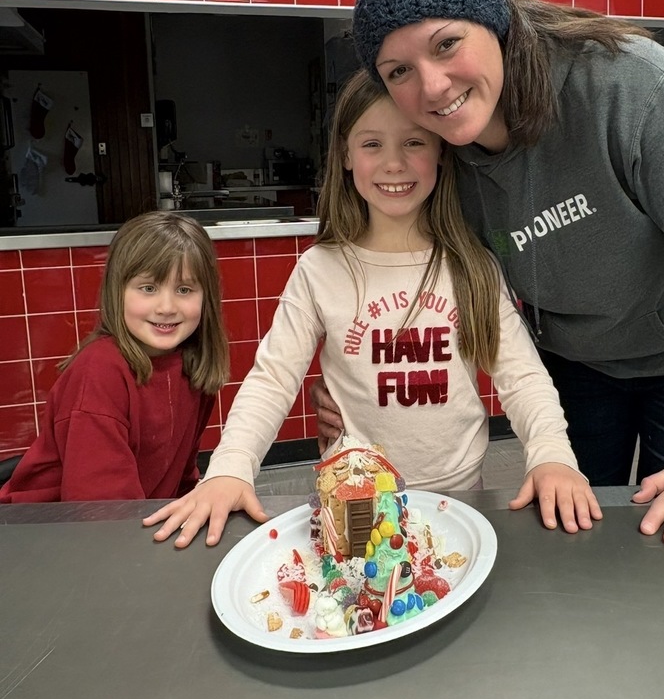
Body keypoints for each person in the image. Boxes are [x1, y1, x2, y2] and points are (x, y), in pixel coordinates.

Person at [310, 0, 664, 549]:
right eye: (398, 71)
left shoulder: (633, 87)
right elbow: (411, 266)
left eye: (447, 44)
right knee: (575, 540)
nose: (431, 87)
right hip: (573, 366)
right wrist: (355, 377)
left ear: (497, 22)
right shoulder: (439, 145)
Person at [143, 70, 600, 548]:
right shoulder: (320, 269)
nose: (394, 163)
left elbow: (522, 377)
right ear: (345, 154)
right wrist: (230, 467)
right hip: (354, 499)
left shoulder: (473, 265)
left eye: (415, 143)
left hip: (459, 498)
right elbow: (272, 379)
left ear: (441, 151)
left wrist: (552, 456)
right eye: (372, 144)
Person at [0, 211, 229, 503]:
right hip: (51, 531)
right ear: (116, 291)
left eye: (184, 289)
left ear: (205, 298)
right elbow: (102, 508)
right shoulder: (99, 372)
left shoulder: (191, 364)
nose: (167, 307)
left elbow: (182, 478)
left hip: (131, 526)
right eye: (148, 288)